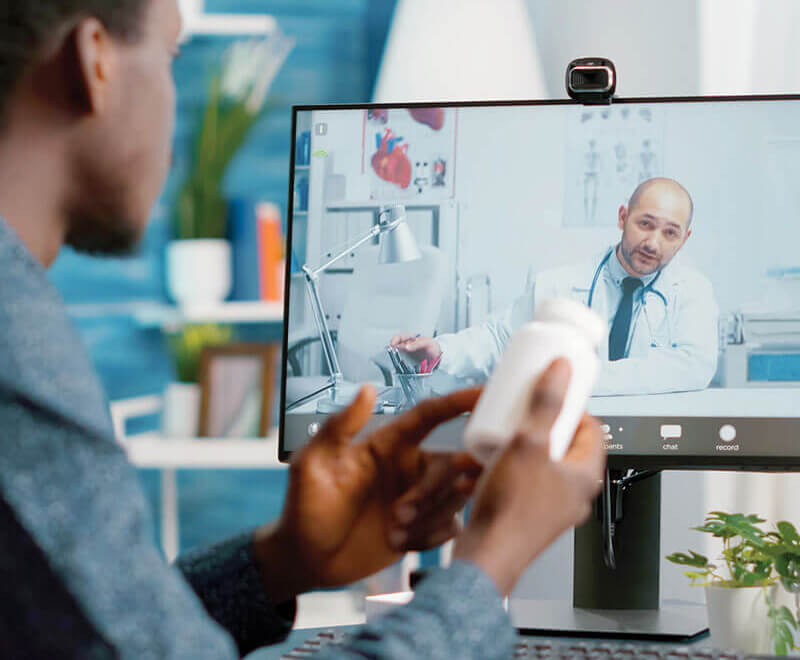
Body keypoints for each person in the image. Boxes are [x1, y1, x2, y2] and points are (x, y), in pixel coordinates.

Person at [0, 2, 605, 658]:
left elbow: (110, 633)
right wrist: (493, 560)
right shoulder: (14, 348)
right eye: (173, 58)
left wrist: (279, 561)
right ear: (95, 62)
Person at [393, 178, 719, 396]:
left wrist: (581, 377)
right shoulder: (558, 284)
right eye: (644, 224)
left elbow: (694, 366)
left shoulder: (694, 292)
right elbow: (499, 339)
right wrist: (442, 350)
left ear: (685, 239)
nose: (652, 243)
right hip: (565, 435)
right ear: (623, 217)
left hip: (651, 444)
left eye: (670, 233)